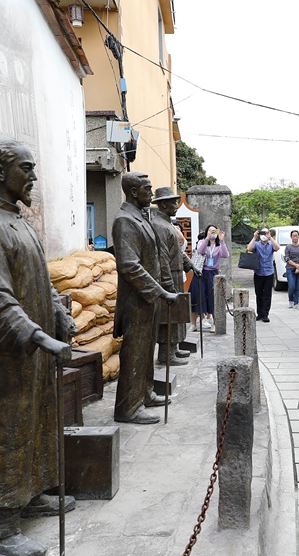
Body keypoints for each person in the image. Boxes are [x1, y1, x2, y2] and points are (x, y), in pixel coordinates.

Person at [0, 140, 78, 556]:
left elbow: (39, 281)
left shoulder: (20, 222)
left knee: (38, 424)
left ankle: (28, 496)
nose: (32, 177)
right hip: (9, 355)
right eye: (26, 169)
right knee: (7, 431)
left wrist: (59, 317)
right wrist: (36, 335)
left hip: (34, 353)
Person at [112, 172, 177, 425]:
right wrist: (160, 291)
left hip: (147, 299)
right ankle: (128, 407)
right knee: (135, 352)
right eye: (147, 189)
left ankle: (144, 394)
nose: (151, 194)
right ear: (133, 192)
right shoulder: (124, 220)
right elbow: (129, 266)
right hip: (136, 300)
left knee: (146, 349)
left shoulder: (140, 217)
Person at [150, 187, 196, 366]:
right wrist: (167, 282)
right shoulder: (159, 226)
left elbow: (176, 250)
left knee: (176, 315)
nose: (176, 205)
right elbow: (162, 257)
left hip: (177, 273)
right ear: (162, 204)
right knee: (168, 315)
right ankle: (165, 355)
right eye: (172, 202)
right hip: (168, 276)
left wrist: (189, 264)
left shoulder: (167, 223)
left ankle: (174, 348)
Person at [191, 225, 229, 332]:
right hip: (201, 273)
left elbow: (225, 255)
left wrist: (221, 241)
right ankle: (193, 324)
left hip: (213, 273)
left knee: (213, 298)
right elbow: (200, 251)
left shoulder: (218, 245)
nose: (212, 233)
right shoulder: (202, 242)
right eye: (210, 230)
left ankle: (215, 324)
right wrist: (207, 237)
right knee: (197, 297)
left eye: (214, 231)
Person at [247, 227, 280, 322]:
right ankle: (259, 313)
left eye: (266, 233)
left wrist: (270, 238)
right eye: (263, 233)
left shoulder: (270, 244)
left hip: (269, 273)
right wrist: (254, 237)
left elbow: (277, 248)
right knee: (259, 294)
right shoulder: (257, 244)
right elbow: (249, 248)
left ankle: (265, 314)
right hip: (258, 272)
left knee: (267, 295)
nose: (264, 235)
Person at [284, 229, 299, 309]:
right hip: (290, 268)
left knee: (298, 286)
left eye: (296, 236)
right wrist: (295, 265)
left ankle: (296, 302)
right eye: (293, 236)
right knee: (291, 285)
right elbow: (287, 258)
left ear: (298, 236)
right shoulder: (288, 247)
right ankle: (291, 300)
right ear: (291, 237)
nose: (295, 237)